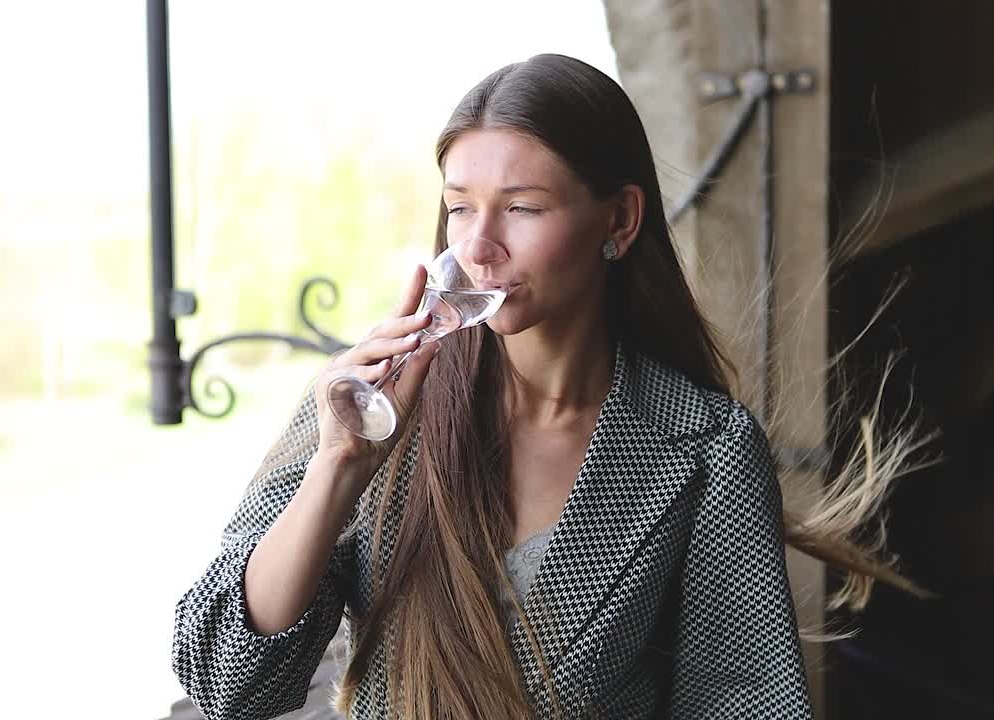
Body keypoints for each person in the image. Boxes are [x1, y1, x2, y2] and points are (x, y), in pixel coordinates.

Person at [173, 53, 915, 720]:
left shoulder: (706, 448)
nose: (477, 246)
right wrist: (339, 465)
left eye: (522, 208)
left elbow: (747, 702)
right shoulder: (368, 403)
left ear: (619, 221)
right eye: (459, 207)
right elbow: (227, 683)